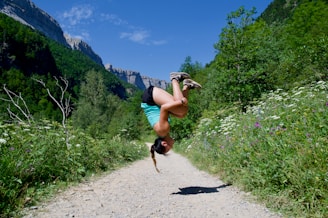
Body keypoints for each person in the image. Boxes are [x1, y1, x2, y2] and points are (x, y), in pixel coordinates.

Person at [141, 72, 202, 172]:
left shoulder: (163, 130)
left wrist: (181, 102)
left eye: (170, 148)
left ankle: (175, 78)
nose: (172, 146)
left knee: (181, 108)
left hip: (150, 98)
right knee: (182, 114)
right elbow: (166, 111)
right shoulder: (163, 131)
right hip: (154, 103)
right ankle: (187, 86)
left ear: (165, 144)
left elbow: (164, 108)